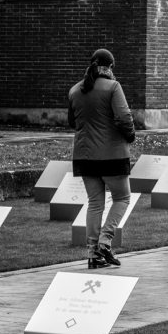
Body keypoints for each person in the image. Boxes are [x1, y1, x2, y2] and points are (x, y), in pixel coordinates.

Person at [68, 48, 135, 269]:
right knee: (122, 198)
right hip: (112, 154)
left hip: (85, 155)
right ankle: (106, 241)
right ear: (109, 67)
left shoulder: (75, 90)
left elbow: (72, 122)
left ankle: (92, 254)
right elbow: (124, 117)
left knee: (95, 204)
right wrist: (130, 135)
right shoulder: (113, 87)